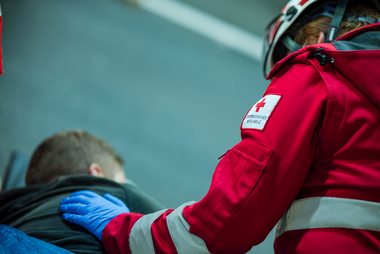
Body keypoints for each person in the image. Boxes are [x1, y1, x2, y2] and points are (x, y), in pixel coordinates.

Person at [59, 0, 380, 253]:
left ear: (322, 36)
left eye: (293, 47)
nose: (292, 61)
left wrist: (122, 229)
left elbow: (220, 227)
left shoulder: (317, 72)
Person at [0, 130, 164, 254]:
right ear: (96, 173)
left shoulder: (12, 208)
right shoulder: (116, 191)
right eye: (121, 179)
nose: (127, 186)